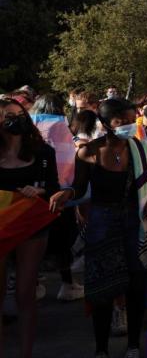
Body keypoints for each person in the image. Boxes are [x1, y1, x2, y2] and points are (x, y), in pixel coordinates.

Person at [70, 98, 147, 358]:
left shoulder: (141, 149)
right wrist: (66, 194)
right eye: (121, 122)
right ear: (106, 123)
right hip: (102, 225)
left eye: (131, 121)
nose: (129, 126)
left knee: (136, 285)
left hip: (134, 223)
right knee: (101, 289)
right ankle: (101, 349)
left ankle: (133, 345)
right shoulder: (88, 152)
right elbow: (79, 188)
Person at [0, 97, 71, 358]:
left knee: (25, 291)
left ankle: (25, 353)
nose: (16, 120)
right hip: (1, 226)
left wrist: (39, 191)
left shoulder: (43, 152)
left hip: (31, 225)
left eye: (20, 115)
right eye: (8, 116)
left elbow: (53, 187)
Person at [30, 95, 81, 302]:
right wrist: (68, 188)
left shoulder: (29, 126)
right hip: (57, 194)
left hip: (31, 193)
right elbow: (67, 161)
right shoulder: (60, 127)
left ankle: (33, 285)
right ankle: (67, 285)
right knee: (61, 242)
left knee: (32, 244)